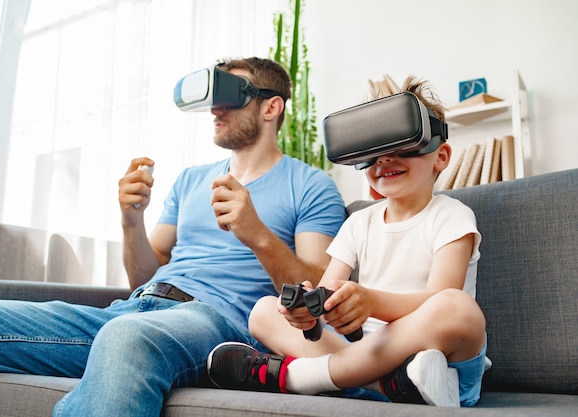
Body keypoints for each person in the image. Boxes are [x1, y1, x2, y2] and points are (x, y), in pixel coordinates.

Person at [0, 57, 346, 417]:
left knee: (127, 337)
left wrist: (259, 235)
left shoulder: (310, 185)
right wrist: (130, 220)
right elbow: (144, 276)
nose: (214, 109)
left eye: (229, 95)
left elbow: (316, 295)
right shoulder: (191, 179)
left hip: (218, 323)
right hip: (132, 310)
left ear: (271, 107)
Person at [207, 77, 489, 408]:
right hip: (370, 351)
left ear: (440, 157)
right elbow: (324, 301)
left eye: (401, 146)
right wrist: (308, 314)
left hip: (441, 361)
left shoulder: (452, 216)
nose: (384, 160)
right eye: (374, 150)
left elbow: (438, 299)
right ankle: (384, 384)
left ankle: (300, 377)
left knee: (457, 308)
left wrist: (371, 303)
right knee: (263, 312)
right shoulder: (359, 223)